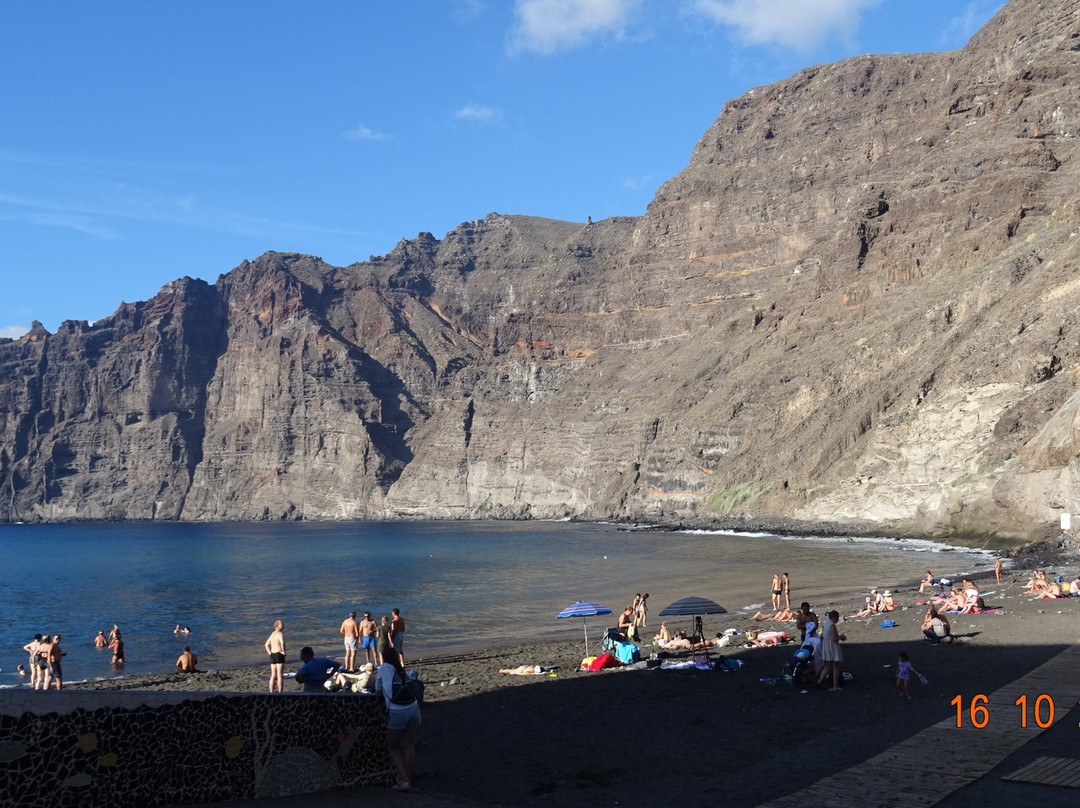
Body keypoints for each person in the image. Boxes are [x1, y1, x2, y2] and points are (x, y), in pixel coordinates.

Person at [375, 647, 421, 793]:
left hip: (397, 711)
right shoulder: (401, 669)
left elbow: (378, 688)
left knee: (393, 747)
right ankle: (408, 777)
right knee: (409, 746)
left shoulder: (383, 669)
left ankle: (404, 780)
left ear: (383, 657)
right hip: (413, 709)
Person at [816, 610, 846, 691]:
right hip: (832, 646)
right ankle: (835, 686)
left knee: (828, 665)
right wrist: (841, 637)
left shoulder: (826, 623)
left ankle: (819, 681)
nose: (838, 619)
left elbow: (821, 636)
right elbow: (834, 638)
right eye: (837, 617)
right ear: (834, 617)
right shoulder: (832, 625)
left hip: (826, 645)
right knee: (836, 666)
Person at [264, 619, 286, 693]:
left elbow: (266, 644)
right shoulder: (279, 634)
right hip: (279, 654)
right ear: (277, 626)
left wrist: (270, 653)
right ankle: (280, 692)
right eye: (281, 624)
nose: (283, 625)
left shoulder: (272, 633)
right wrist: (284, 651)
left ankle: (271, 691)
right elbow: (282, 643)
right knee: (279, 675)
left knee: (273, 674)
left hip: (273, 655)